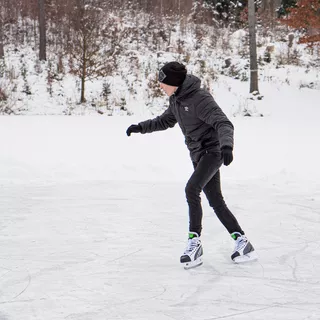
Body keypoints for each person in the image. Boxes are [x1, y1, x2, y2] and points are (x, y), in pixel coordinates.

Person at [126, 61, 257, 269]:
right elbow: (165, 121)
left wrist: (226, 147)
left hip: (213, 152)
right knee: (216, 201)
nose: (160, 86)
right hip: (197, 154)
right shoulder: (177, 100)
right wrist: (140, 127)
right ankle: (242, 241)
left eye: (163, 82)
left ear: (174, 82)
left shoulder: (200, 99)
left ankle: (194, 242)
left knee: (191, 189)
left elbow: (223, 123)